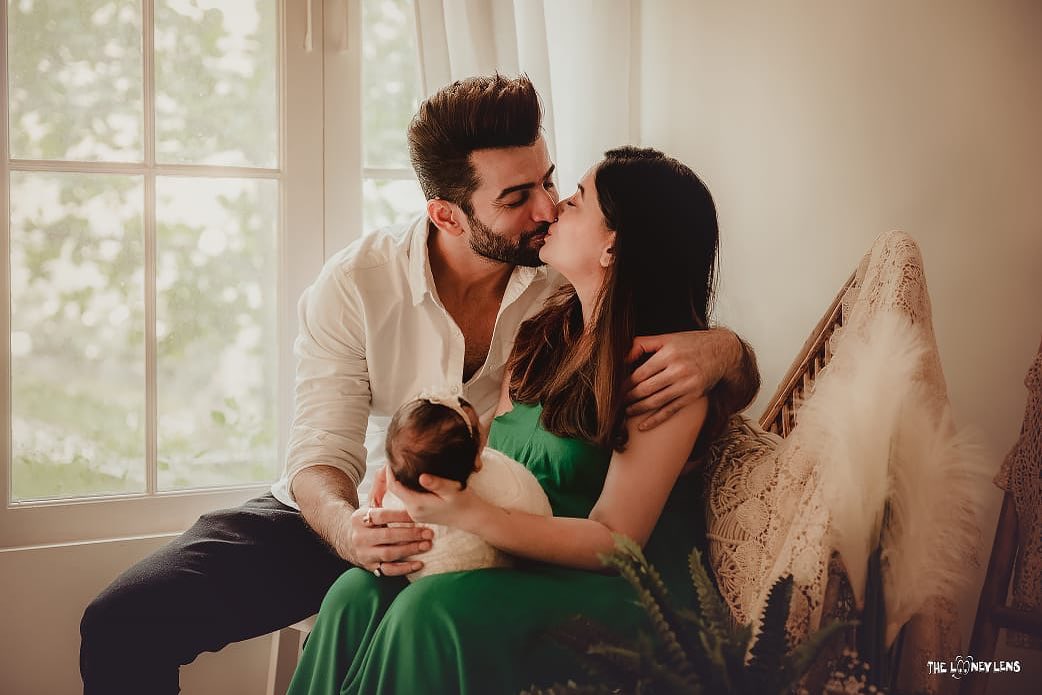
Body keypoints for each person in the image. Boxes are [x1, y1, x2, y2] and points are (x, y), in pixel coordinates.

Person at [79, 74, 757, 694]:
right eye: (517, 197)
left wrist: (727, 350)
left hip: (501, 528)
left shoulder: (559, 277)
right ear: (447, 216)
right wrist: (355, 528)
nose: (547, 209)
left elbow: (658, 300)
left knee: (426, 610)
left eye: (551, 184)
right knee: (126, 621)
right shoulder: (358, 285)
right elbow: (320, 452)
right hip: (360, 511)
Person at [286, 145, 753, 695]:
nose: (553, 208)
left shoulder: (663, 375)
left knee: (433, 610)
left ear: (613, 244)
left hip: (619, 593)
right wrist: (416, 477)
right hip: (519, 561)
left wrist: (473, 514)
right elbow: (487, 453)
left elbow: (618, 543)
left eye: (576, 200)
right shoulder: (545, 334)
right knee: (356, 593)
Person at [378, 388, 552, 581]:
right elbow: (538, 508)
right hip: (500, 564)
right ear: (477, 461)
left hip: (509, 567)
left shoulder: (395, 499)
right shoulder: (506, 484)